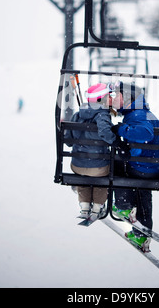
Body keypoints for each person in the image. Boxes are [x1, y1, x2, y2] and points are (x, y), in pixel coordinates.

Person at [108, 81, 159, 252]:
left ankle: (123, 206)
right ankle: (140, 233)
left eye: (116, 95)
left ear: (127, 97)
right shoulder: (141, 113)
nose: (113, 98)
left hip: (145, 167)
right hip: (151, 166)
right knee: (143, 194)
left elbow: (146, 134)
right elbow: (139, 146)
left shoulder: (138, 115)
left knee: (117, 163)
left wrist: (122, 130)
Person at [65, 82, 117, 218]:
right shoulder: (102, 116)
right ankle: (97, 206)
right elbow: (105, 132)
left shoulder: (77, 115)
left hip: (77, 165)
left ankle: (85, 205)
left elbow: (69, 142)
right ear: (102, 99)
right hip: (99, 168)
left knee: (83, 177)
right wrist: (114, 140)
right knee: (101, 177)